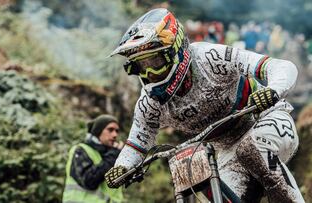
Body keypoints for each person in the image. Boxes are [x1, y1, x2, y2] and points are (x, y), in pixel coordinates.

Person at [105, 8, 305, 203]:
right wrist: (122, 167)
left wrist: (272, 91)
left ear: (176, 50)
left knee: (251, 149)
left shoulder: (210, 57)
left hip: (268, 118)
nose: (149, 74)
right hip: (228, 150)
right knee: (216, 196)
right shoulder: (150, 102)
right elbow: (138, 141)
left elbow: (280, 66)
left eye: (154, 62)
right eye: (141, 66)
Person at [62, 114, 123, 203]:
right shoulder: (81, 150)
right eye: (110, 130)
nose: (115, 134)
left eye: (117, 131)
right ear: (98, 131)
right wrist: (112, 156)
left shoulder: (111, 155)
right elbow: (89, 181)